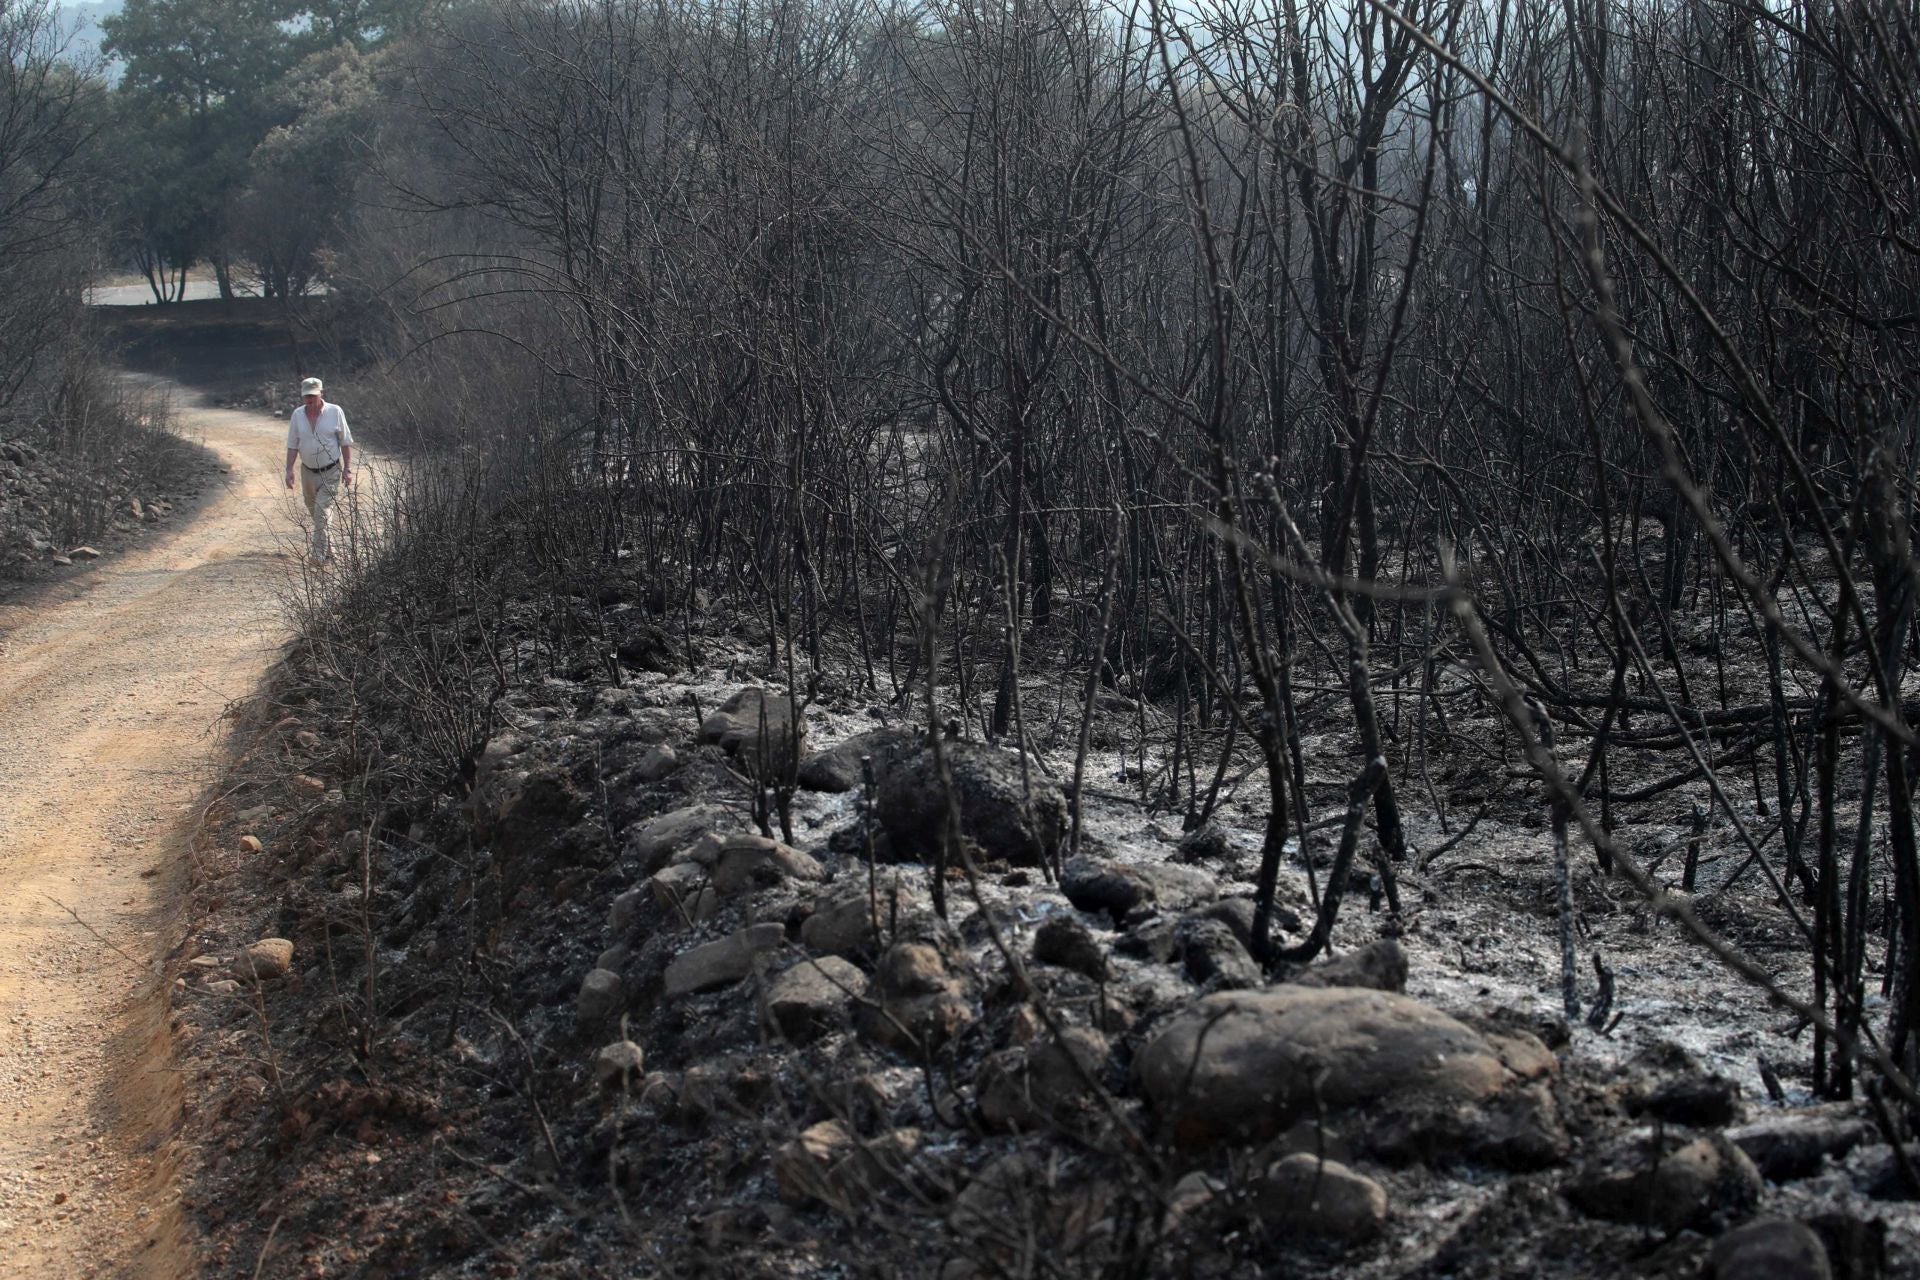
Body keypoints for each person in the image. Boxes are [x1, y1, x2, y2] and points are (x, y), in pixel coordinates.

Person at [284, 376, 353, 563]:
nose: (310, 399)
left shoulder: (335, 411)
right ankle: (331, 550)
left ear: (321, 393)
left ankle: (318, 556)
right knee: (317, 514)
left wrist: (347, 469)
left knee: (322, 512)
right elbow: (292, 444)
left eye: (313, 395)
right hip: (307, 471)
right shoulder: (298, 415)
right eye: (306, 396)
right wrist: (289, 470)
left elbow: (345, 442)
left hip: (331, 471)